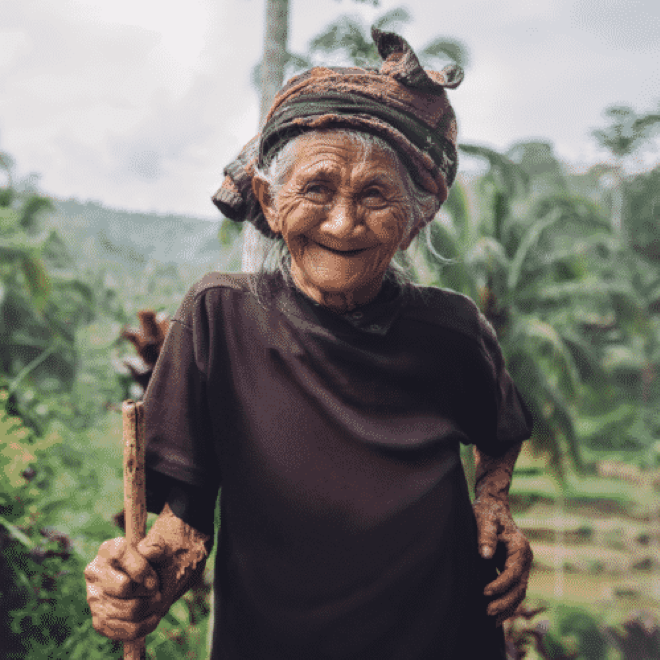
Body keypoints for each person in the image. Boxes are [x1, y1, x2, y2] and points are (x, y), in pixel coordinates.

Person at [85, 28, 534, 659]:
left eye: (375, 195)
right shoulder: (219, 318)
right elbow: (183, 528)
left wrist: (493, 503)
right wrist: (139, 586)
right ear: (269, 202)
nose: (344, 223)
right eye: (317, 188)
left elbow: (501, 428)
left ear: (416, 217)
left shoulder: (453, 331)